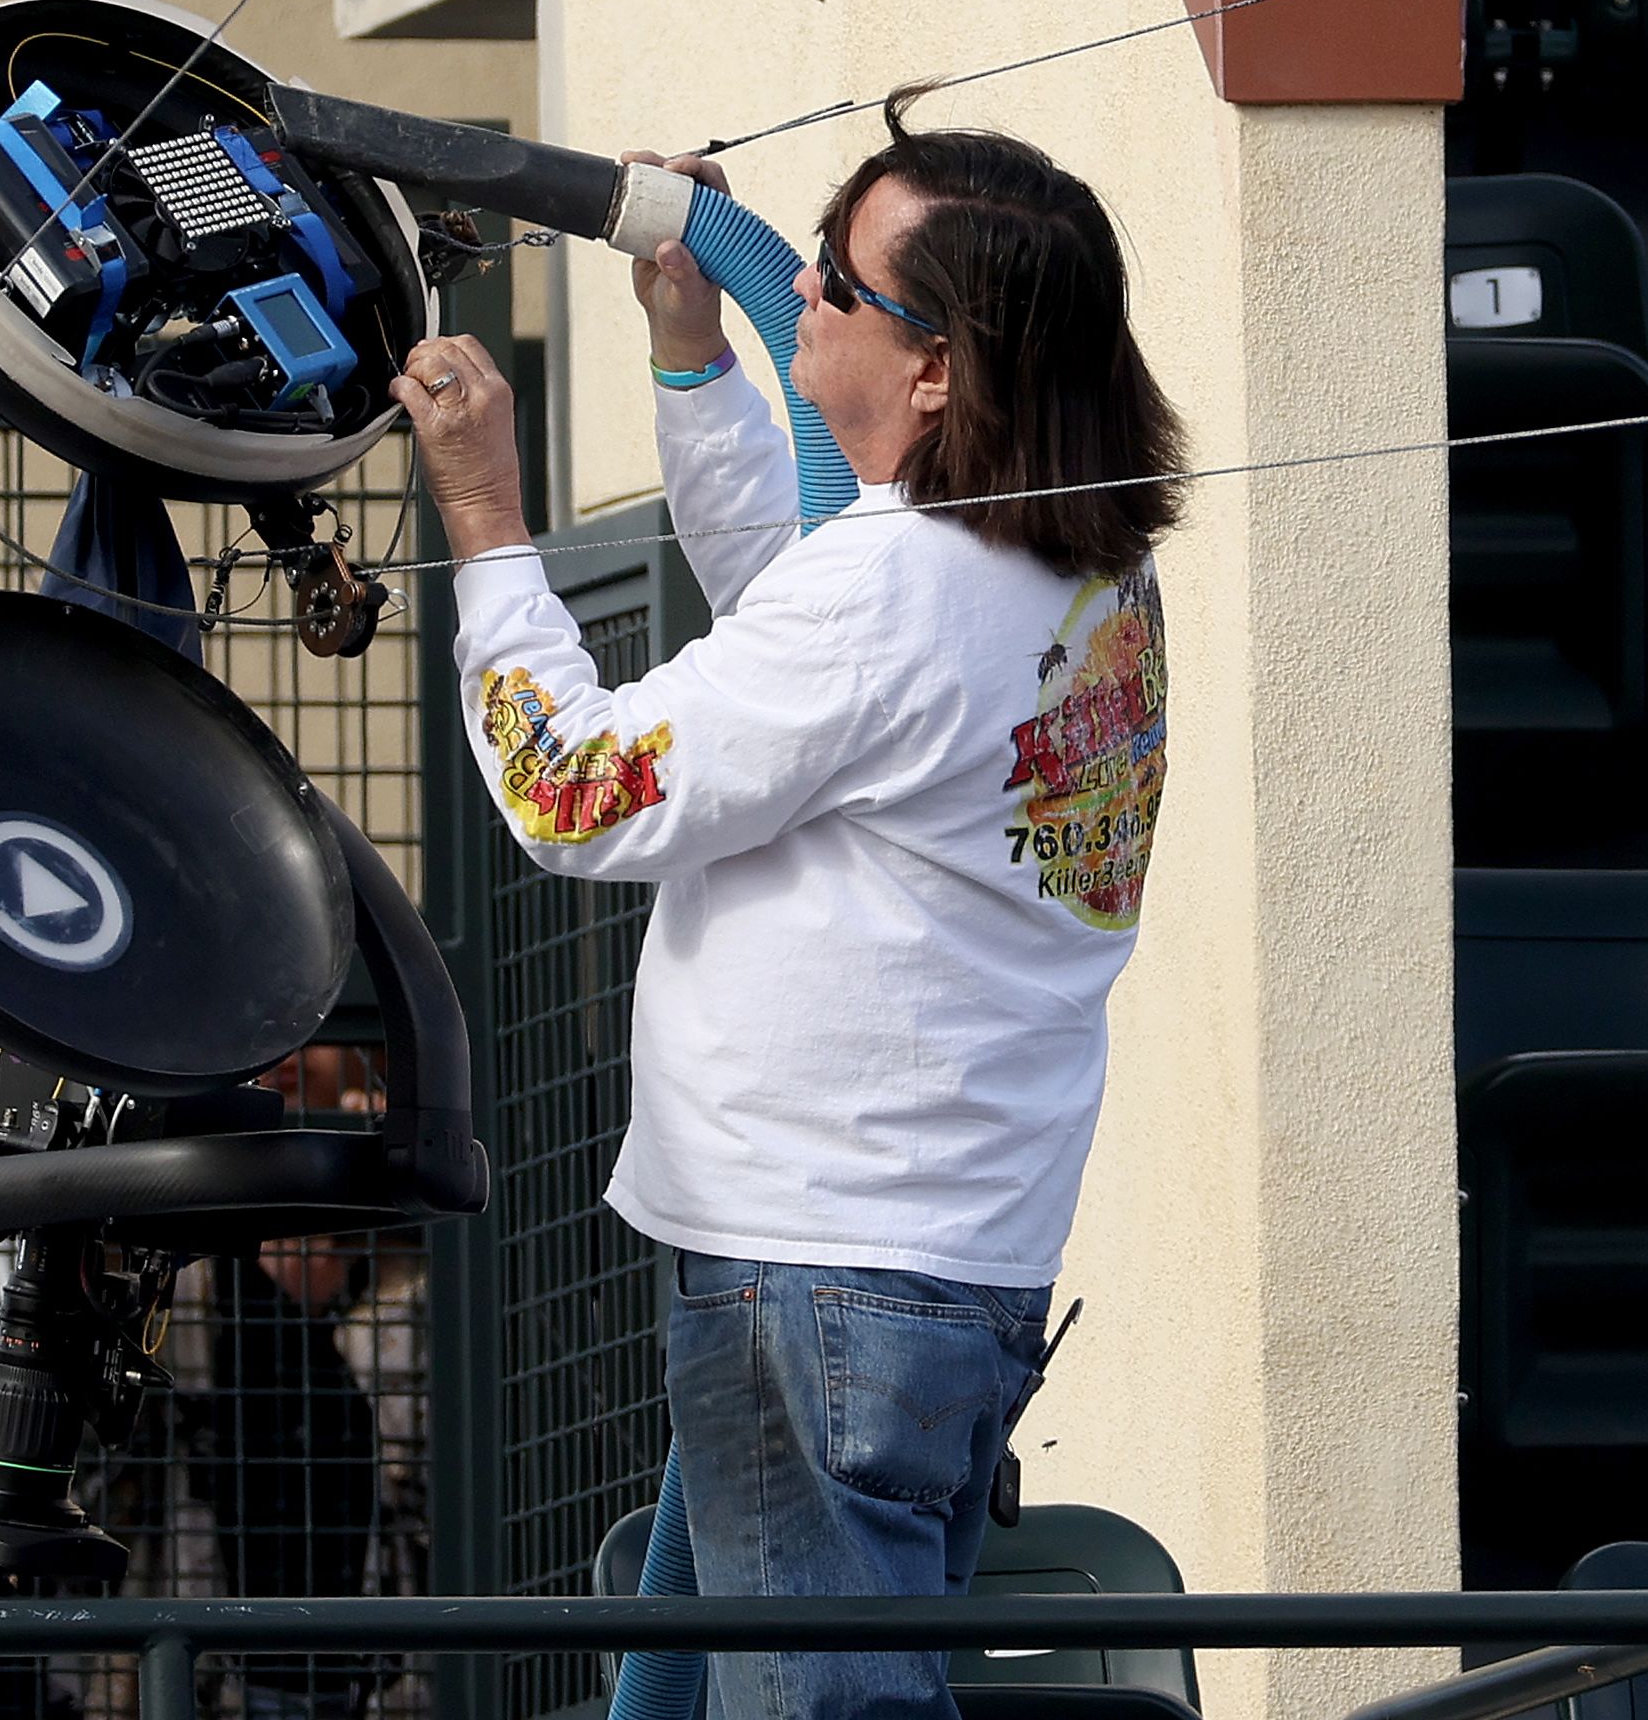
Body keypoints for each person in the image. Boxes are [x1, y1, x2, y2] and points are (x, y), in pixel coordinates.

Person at [382, 93, 1185, 1720]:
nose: (800, 287)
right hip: (920, 1271)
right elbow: (799, 602)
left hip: (816, 1291)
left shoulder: (901, 591)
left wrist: (484, 518)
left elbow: (572, 796)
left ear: (939, 367)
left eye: (835, 276)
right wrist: (695, 342)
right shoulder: (1065, 563)